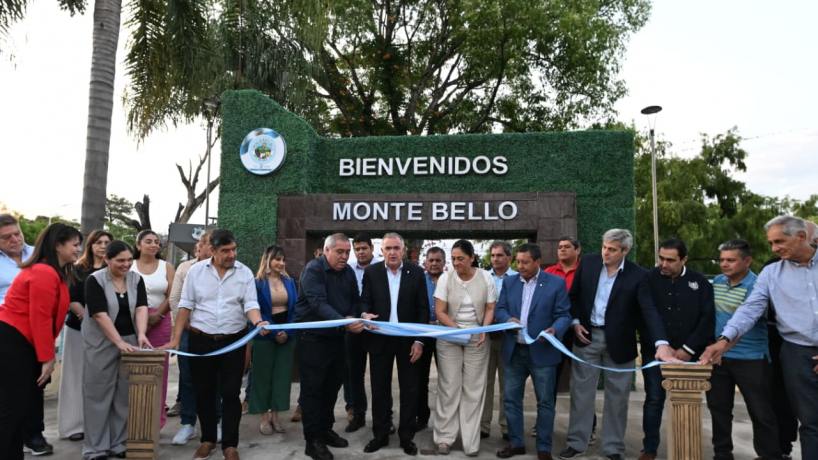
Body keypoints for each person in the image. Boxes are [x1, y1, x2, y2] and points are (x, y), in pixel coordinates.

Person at [700, 215, 818, 458]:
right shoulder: (771, 274)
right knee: (810, 422)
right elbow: (749, 309)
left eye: (779, 242)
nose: (774, 248)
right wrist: (723, 341)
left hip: (762, 357)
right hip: (797, 353)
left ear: (802, 237)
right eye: (771, 243)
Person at [559, 228, 676, 460]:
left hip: (620, 344)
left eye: (612, 249)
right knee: (581, 394)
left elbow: (648, 310)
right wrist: (574, 322)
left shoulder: (638, 275)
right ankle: (576, 443)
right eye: (604, 247)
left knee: (618, 397)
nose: (606, 252)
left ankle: (612, 448)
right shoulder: (590, 263)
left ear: (625, 250)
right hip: (586, 337)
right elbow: (573, 296)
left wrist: (662, 343)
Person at [162, 229, 270, 460]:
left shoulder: (245, 273)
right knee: (204, 392)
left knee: (231, 393)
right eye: (225, 251)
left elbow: (250, 304)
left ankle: (230, 445)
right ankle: (208, 440)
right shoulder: (196, 272)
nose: (231, 255)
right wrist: (175, 338)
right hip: (201, 341)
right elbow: (185, 306)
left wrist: (258, 321)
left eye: (233, 249)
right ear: (211, 250)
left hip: (233, 341)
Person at [0, 223, 82, 460]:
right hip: (13, 342)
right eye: (75, 244)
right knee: (11, 412)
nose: (79, 249)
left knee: (18, 411)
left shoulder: (53, 271)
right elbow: (40, 316)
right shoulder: (44, 272)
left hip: (20, 343)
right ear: (58, 245)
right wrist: (47, 357)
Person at [703, 239, 782, 460]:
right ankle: (722, 454)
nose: (724, 264)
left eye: (731, 260)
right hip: (719, 359)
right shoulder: (716, 282)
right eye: (721, 260)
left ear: (747, 261)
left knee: (761, 412)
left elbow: (748, 318)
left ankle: (769, 456)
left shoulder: (759, 286)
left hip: (752, 359)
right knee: (718, 410)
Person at [637, 238, 715, 460]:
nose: (663, 263)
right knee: (653, 398)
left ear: (684, 259)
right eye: (661, 258)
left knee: (687, 401)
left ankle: (685, 448)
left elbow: (707, 318)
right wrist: (662, 344)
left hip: (689, 354)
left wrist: (687, 349)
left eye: (670, 260)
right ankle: (649, 448)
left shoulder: (699, 283)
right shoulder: (648, 279)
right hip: (656, 353)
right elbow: (649, 312)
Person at [494, 243, 572, 460]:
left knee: (545, 401)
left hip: (543, 352)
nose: (520, 266)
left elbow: (564, 314)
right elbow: (500, 309)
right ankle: (516, 443)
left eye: (525, 262)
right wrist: (507, 319)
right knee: (510, 399)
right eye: (518, 262)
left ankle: (544, 448)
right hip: (514, 351)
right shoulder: (510, 282)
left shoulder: (555, 284)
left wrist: (555, 329)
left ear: (538, 262)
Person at [294, 233, 367, 460]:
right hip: (313, 340)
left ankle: (325, 430)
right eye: (340, 252)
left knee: (331, 388)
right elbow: (317, 303)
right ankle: (312, 440)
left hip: (337, 340)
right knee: (313, 390)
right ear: (326, 251)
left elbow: (355, 301)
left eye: (347, 252)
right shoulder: (313, 270)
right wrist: (347, 323)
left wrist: (359, 315)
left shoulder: (348, 273)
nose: (345, 256)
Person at [359, 232, 429, 455]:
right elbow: (365, 300)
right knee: (380, 388)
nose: (392, 252)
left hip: (408, 340)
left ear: (403, 250)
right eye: (388, 248)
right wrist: (363, 314)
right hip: (380, 338)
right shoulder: (371, 272)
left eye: (396, 248)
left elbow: (422, 309)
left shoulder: (417, 273)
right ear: (382, 251)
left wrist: (419, 340)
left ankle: (406, 437)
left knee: (410, 389)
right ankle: (380, 435)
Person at [81, 240, 152, 460]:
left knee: (123, 395)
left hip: (130, 339)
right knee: (98, 394)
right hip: (101, 342)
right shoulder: (94, 280)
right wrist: (118, 342)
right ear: (107, 260)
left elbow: (141, 307)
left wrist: (141, 333)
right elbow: (100, 315)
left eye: (130, 260)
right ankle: (95, 448)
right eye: (120, 260)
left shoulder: (136, 279)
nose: (126, 264)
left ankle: (118, 443)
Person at [433, 239, 497, 456]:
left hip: (478, 338)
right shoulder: (445, 278)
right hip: (450, 336)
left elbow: (490, 308)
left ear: (472, 258)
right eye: (453, 259)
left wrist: (483, 330)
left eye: (460, 258)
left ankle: (471, 442)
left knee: (474, 389)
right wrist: (458, 331)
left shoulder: (486, 277)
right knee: (449, 387)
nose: (456, 262)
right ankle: (444, 438)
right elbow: (440, 311)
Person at [0, 214, 54, 456]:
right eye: (6, 237)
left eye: (17, 233)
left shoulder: (38, 256)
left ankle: (33, 434)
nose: (14, 239)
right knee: (10, 392)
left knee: (37, 384)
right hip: (7, 333)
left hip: (38, 330)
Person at [58, 229, 112, 442]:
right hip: (78, 329)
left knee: (101, 379)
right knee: (75, 377)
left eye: (107, 242)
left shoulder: (114, 268)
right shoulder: (77, 269)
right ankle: (74, 426)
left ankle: (99, 424)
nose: (103, 246)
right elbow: (70, 298)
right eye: (98, 242)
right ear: (90, 245)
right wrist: (88, 318)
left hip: (107, 333)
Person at [167, 230, 214, 445]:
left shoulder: (226, 269)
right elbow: (175, 299)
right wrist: (186, 324)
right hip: (188, 331)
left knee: (217, 379)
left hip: (216, 333)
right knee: (188, 378)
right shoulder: (185, 268)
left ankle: (217, 422)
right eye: (209, 245)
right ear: (202, 246)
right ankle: (188, 424)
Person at [250, 245, 298, 435]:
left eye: (283, 259)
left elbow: (296, 309)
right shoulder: (257, 283)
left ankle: (276, 416)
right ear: (268, 260)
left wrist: (286, 332)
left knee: (282, 377)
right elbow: (254, 308)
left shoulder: (290, 282)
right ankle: (263, 417)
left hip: (286, 334)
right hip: (264, 335)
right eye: (277, 259)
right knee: (262, 377)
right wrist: (271, 332)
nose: (281, 263)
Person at [131, 230, 176, 429]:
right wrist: (139, 317)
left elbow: (172, 294)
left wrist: (157, 314)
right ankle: (133, 417)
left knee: (159, 370)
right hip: (131, 320)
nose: (153, 245)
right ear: (138, 244)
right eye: (148, 241)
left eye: (157, 242)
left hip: (160, 319)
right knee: (132, 369)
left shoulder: (166, 267)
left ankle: (156, 419)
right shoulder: (129, 265)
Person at [482, 241, 516, 440]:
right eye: (493, 255)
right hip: (485, 337)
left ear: (509, 258)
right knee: (484, 384)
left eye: (500, 255)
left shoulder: (517, 278)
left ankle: (506, 427)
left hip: (507, 339)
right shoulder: (484, 277)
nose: (495, 259)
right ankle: (483, 426)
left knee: (507, 385)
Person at [344, 233, 374, 433]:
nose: (361, 252)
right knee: (354, 374)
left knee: (381, 375)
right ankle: (358, 414)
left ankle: (383, 417)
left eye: (364, 248)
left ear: (372, 248)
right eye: (358, 249)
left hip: (376, 328)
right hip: (353, 329)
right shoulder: (347, 270)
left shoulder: (382, 267)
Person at [417, 246, 445, 430]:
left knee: (447, 379)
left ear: (444, 263)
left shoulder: (451, 280)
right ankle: (421, 417)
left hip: (445, 335)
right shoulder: (418, 279)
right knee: (420, 378)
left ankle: (445, 420)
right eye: (431, 260)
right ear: (425, 262)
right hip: (423, 335)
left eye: (438, 260)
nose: (434, 263)